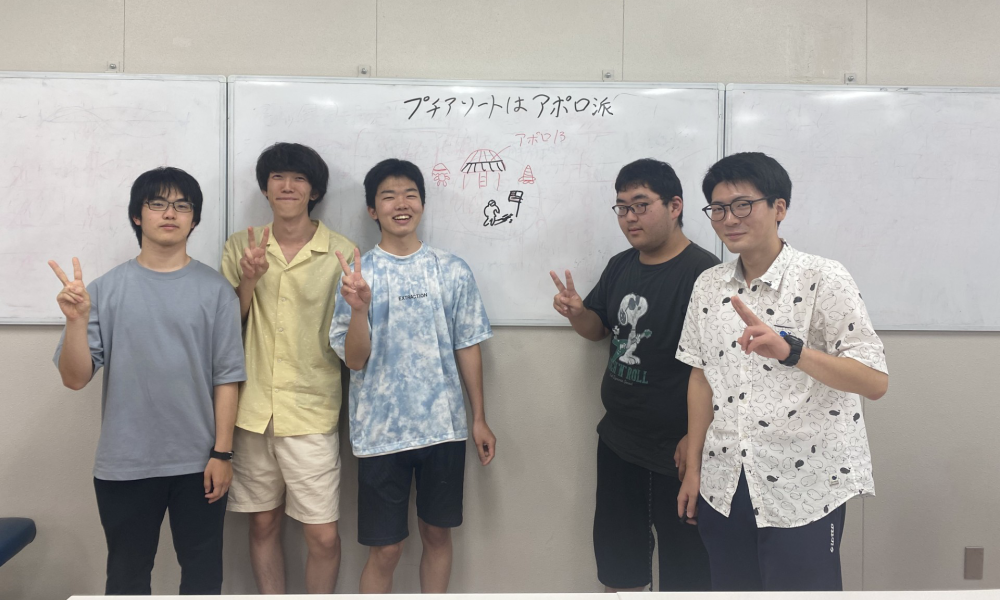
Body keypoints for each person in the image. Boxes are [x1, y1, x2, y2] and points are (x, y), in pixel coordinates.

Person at [676, 151, 889, 591]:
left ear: (779, 208)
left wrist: (793, 352)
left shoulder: (823, 278)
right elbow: (700, 377)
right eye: (718, 208)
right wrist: (694, 469)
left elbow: (874, 381)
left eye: (742, 205)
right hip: (725, 482)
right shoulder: (708, 286)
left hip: (804, 483)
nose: (729, 219)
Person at [51, 167, 246, 595]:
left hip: (200, 464)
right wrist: (77, 322)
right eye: (157, 204)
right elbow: (74, 378)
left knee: (203, 576)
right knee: (127, 576)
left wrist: (222, 453)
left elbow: (227, 379)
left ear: (194, 219)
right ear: (137, 216)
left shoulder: (217, 291)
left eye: (182, 205)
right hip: (126, 463)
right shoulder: (104, 290)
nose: (170, 213)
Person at [330, 158, 496, 594]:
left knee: (437, 535)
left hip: (444, 430)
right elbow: (354, 361)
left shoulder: (452, 269)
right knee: (386, 550)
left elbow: (467, 344)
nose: (401, 204)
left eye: (410, 194)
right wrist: (359, 310)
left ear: (422, 202)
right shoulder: (357, 276)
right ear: (372, 210)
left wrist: (479, 417)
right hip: (380, 433)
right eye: (388, 196)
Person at [550, 158, 717, 591]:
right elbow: (599, 330)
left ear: (675, 206)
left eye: (641, 205)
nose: (629, 217)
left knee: (688, 574)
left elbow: (724, 369)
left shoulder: (706, 274)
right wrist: (578, 313)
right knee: (619, 570)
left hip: (677, 453)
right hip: (619, 441)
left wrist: (696, 439)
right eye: (622, 207)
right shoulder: (620, 265)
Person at [221, 143, 356, 594]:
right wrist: (249, 280)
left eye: (299, 178)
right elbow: (224, 330)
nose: (287, 186)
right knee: (262, 524)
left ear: (314, 191)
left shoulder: (341, 251)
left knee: (323, 535)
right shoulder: (241, 245)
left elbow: (349, 335)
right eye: (278, 177)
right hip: (252, 410)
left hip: (311, 410)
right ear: (265, 187)